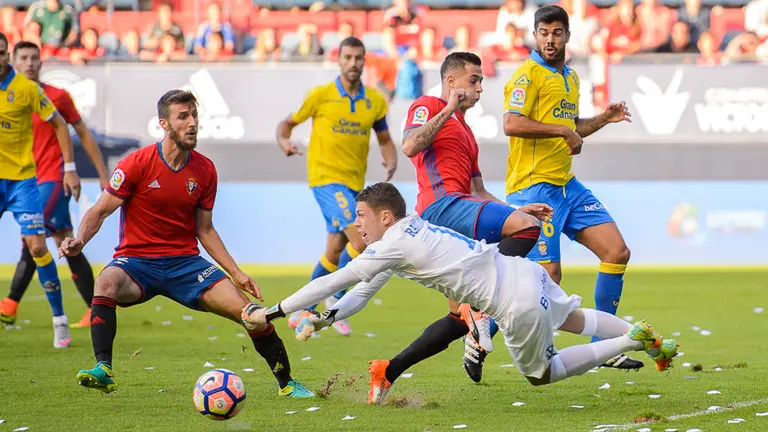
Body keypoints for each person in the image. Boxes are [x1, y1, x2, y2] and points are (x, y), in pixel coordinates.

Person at [242, 182, 679, 405]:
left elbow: (331, 281)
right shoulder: (409, 229)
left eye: (361, 216)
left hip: (510, 302)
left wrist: (275, 311)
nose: (357, 224)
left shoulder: (391, 243)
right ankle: (656, 343)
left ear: (385, 215)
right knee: (576, 320)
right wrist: (328, 317)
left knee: (541, 375)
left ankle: (630, 339)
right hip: (523, 273)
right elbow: (361, 291)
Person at [59, 90, 313, 398]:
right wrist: (80, 241)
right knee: (107, 281)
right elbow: (99, 211)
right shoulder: (136, 163)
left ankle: (287, 384)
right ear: (164, 124)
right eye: (183, 116)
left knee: (252, 315)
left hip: (186, 265)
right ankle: (104, 369)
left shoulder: (205, 170)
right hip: (137, 262)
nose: (192, 123)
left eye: (194, 115)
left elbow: (205, 230)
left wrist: (236, 272)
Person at [397, 51, 552, 384]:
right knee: (529, 230)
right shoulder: (428, 104)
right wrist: (448, 108)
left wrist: (514, 211)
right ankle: (482, 308)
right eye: (474, 79)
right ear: (451, 82)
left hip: (461, 205)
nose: (480, 87)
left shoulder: (466, 132)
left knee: (456, 318)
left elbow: (478, 190)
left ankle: (388, 371)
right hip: (442, 206)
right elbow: (410, 146)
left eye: (480, 80)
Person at [503, 5, 640, 369]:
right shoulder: (526, 76)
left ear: (567, 35)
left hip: (567, 186)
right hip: (532, 189)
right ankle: (492, 330)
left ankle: (605, 346)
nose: (550, 39)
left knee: (617, 252)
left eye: (557, 32)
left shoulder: (571, 78)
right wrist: (563, 131)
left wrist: (603, 120)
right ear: (534, 35)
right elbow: (512, 123)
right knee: (548, 277)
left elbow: (572, 126)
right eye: (543, 32)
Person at [275, 36, 398, 336]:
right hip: (325, 180)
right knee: (360, 240)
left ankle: (302, 309)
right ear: (339, 60)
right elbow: (287, 123)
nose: (353, 63)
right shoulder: (320, 95)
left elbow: (384, 138)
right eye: (348, 57)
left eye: (358, 58)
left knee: (334, 248)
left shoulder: (375, 101)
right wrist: (284, 141)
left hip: (354, 184)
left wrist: (390, 159)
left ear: (364, 60)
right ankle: (336, 298)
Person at [0, 41, 110, 329]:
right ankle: (96, 309)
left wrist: (99, 172)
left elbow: (83, 133)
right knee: (65, 242)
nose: (30, 62)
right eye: (23, 57)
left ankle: (9, 304)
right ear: (14, 60)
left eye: (35, 57)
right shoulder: (12, 95)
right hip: (22, 180)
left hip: (52, 179)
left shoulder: (57, 96)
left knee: (32, 240)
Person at [0, 32, 80, 348]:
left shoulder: (26, 89)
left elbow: (60, 123)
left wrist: (70, 168)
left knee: (36, 247)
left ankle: (59, 320)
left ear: (7, 54)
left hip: (22, 182)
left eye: (2, 52)